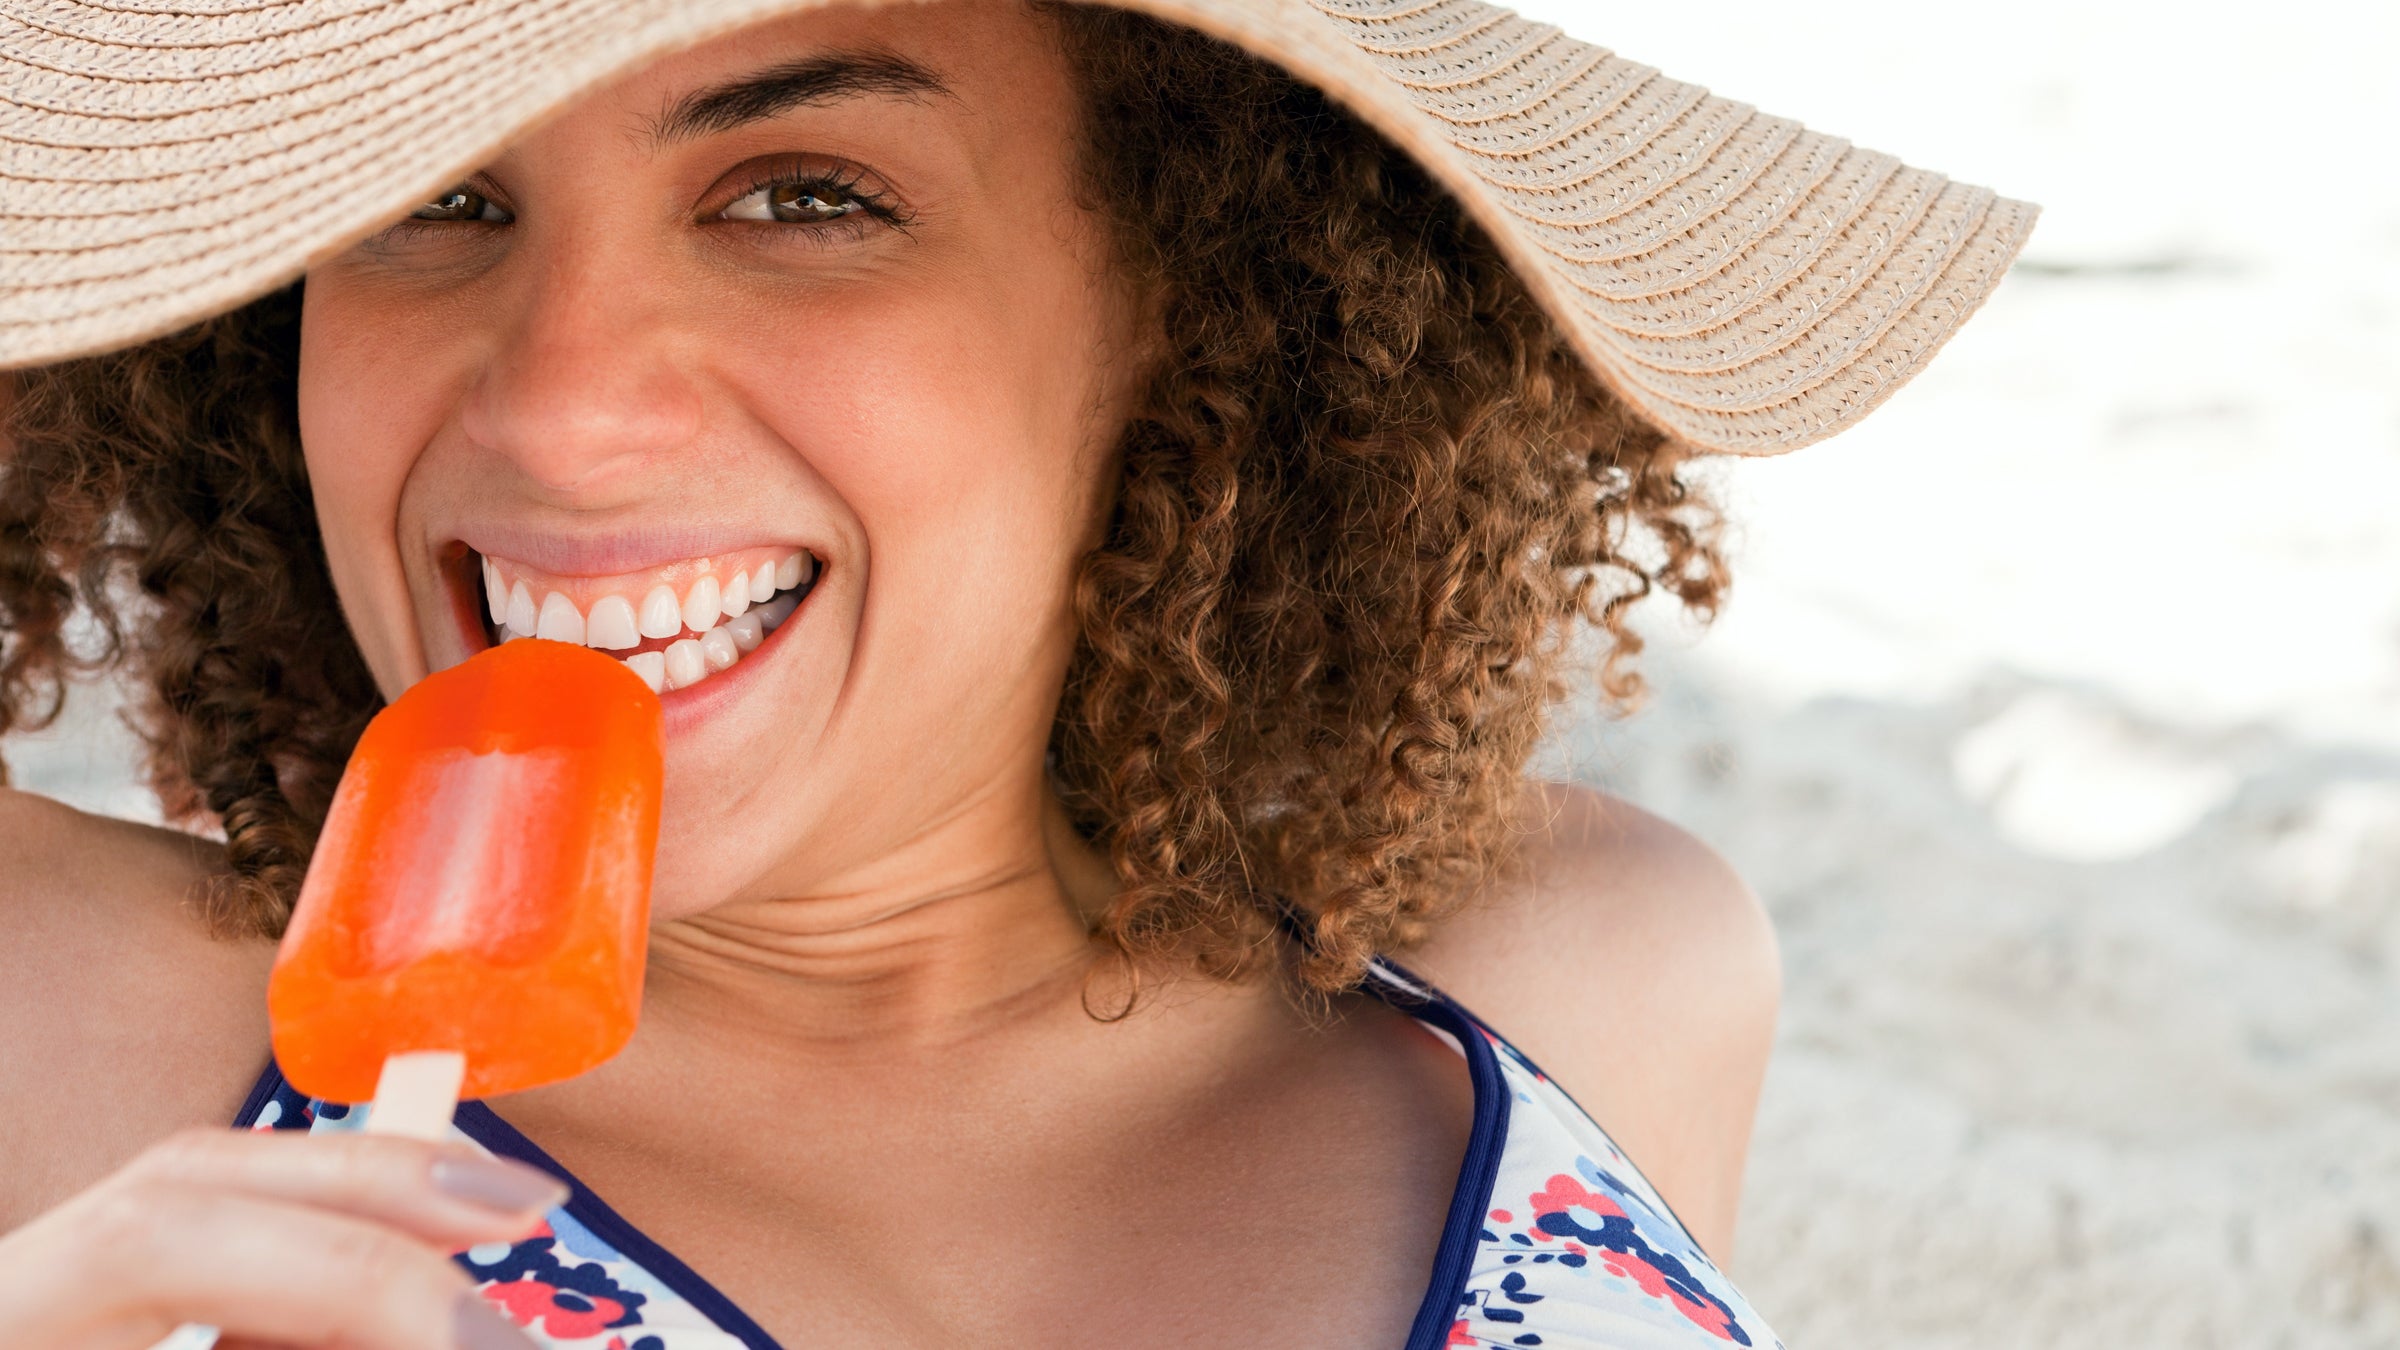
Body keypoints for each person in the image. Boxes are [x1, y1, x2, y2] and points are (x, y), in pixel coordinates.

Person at [0, 0, 2031, 1345]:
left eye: (804, 198)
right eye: (434, 201)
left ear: (1197, 312)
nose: (560, 413)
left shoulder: (1589, 974)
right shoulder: (78, 1022)